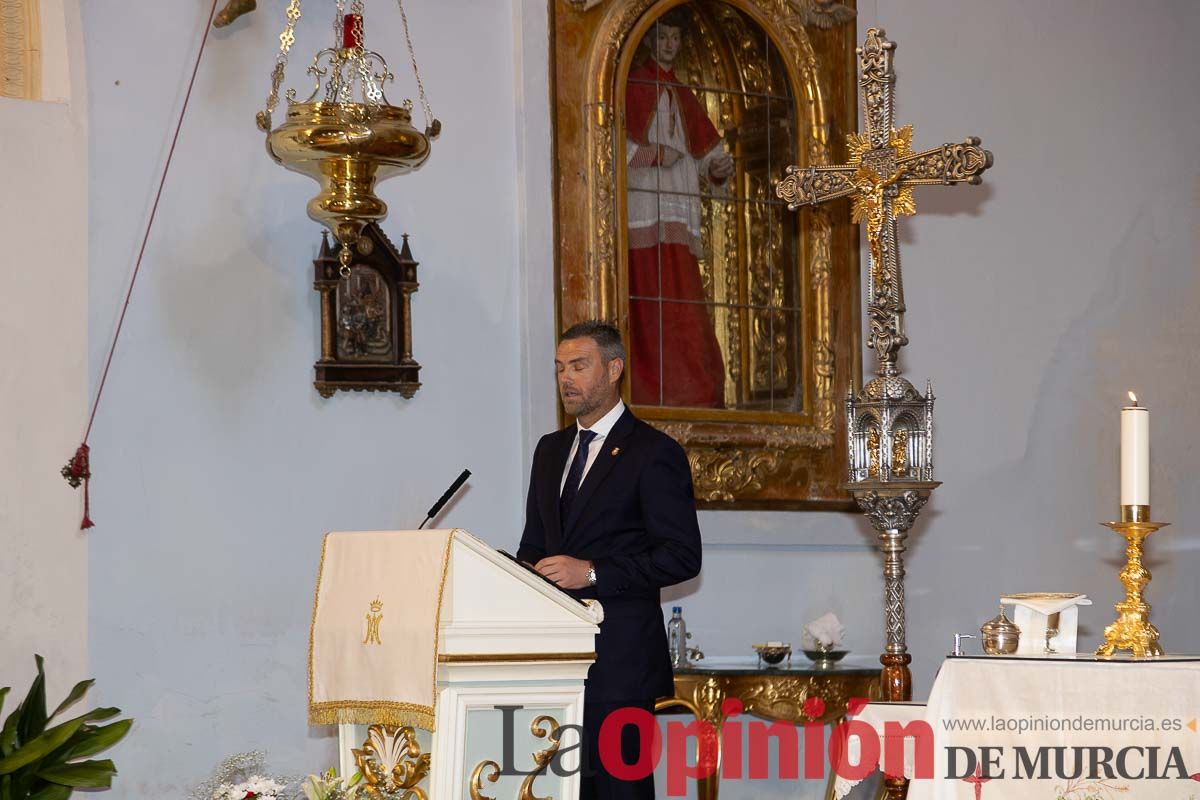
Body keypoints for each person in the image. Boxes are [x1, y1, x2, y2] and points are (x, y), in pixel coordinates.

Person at [517, 320, 703, 800]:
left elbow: (682, 556)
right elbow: (534, 546)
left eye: (579, 366)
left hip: (621, 666)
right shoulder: (550, 450)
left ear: (614, 368)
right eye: (560, 368)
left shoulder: (653, 452)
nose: (566, 379)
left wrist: (593, 573)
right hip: (556, 664)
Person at [625, 9, 732, 408]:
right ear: (652, 40)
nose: (670, 44)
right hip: (644, 206)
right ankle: (651, 389)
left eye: (676, 38)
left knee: (682, 299)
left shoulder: (683, 92)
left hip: (678, 206)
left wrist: (718, 167)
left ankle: (693, 389)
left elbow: (707, 152)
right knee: (650, 298)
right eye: (664, 37)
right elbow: (613, 145)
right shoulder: (634, 83)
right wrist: (654, 155)